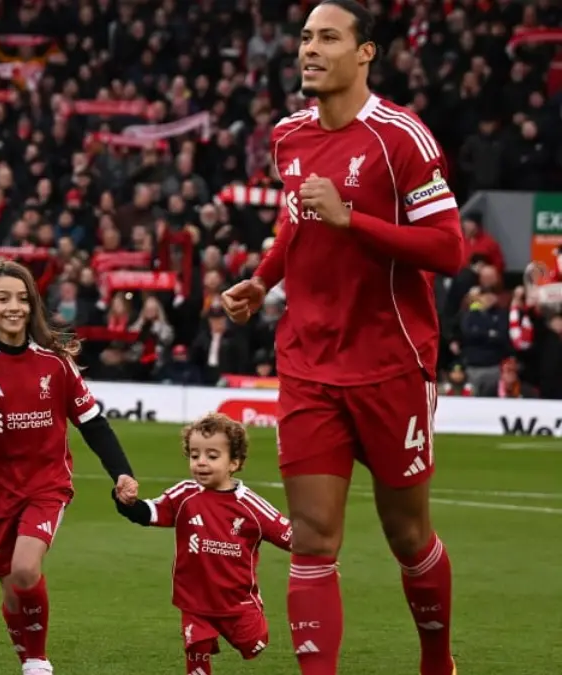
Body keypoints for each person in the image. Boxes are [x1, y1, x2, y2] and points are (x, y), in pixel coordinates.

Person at [220, 2, 464, 674]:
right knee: (312, 539)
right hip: (307, 362)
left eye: (329, 37)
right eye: (305, 37)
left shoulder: (402, 138)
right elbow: (296, 219)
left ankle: (437, 662)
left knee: (407, 534)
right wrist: (263, 278)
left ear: (365, 53)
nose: (310, 49)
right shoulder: (289, 137)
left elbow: (449, 250)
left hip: (392, 362)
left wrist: (352, 218)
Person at [0, 260, 140, 675]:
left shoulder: (55, 362)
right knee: (11, 592)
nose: (14, 307)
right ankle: (28, 660)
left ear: (33, 305)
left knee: (25, 568)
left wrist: (122, 473)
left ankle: (39, 660)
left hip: (47, 485)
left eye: (22, 299)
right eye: (3, 298)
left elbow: (93, 424)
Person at [112, 413, 292, 675]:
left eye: (212, 456)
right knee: (197, 649)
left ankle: (252, 619)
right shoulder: (184, 494)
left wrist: (319, 558)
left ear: (234, 462)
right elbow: (150, 513)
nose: (201, 462)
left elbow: (287, 534)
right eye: (195, 455)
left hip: (236, 600)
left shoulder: (250, 505)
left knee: (254, 644)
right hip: (194, 599)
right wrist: (127, 503)